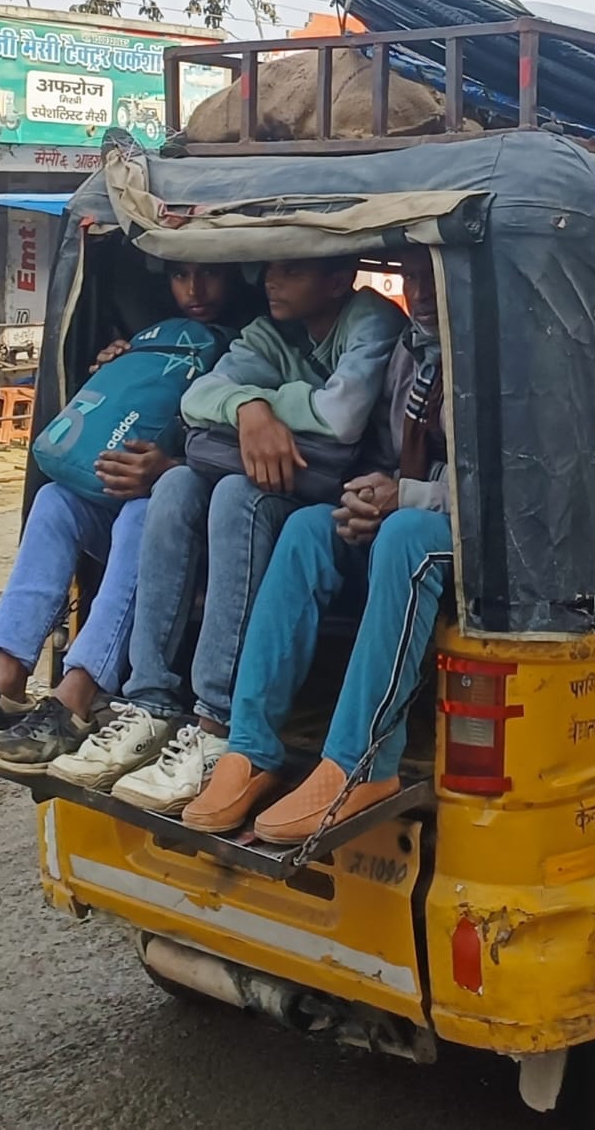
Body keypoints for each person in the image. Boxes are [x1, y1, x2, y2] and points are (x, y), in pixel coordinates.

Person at [36, 258, 408, 795]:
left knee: (235, 493)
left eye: (292, 271)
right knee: (175, 484)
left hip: (348, 496)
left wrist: (264, 409)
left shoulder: (371, 318)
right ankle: (150, 705)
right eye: (270, 270)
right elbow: (197, 398)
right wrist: (249, 409)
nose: (272, 281)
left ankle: (216, 724)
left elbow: (341, 416)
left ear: (336, 280)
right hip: (285, 480)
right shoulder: (271, 330)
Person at [0, 261, 247, 755]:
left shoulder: (253, 347)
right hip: (135, 505)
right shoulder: (159, 336)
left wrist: (172, 467)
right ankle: (3, 682)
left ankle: (75, 698)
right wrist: (121, 372)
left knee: (142, 514)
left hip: (214, 530)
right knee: (55, 500)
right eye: (179, 275)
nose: (194, 289)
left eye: (210, 274)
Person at [177, 247, 446, 836]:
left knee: (407, 534)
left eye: (437, 276)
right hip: (405, 501)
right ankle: (251, 747)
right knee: (308, 527)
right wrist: (369, 496)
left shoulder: (493, 354)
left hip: (474, 531)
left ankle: (362, 762)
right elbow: (382, 451)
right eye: (412, 275)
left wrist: (405, 498)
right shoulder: (413, 351)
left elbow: (508, 487)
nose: (422, 292)